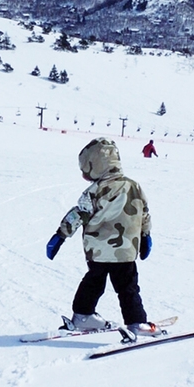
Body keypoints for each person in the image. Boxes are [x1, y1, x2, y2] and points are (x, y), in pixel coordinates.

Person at [45, 138, 158, 336]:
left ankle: (83, 315)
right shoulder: (134, 187)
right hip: (125, 249)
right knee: (128, 287)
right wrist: (146, 234)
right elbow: (144, 213)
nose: (84, 175)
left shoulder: (94, 191)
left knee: (94, 281)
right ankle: (136, 322)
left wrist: (60, 235)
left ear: (96, 166)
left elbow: (78, 214)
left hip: (97, 250)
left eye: (86, 169)